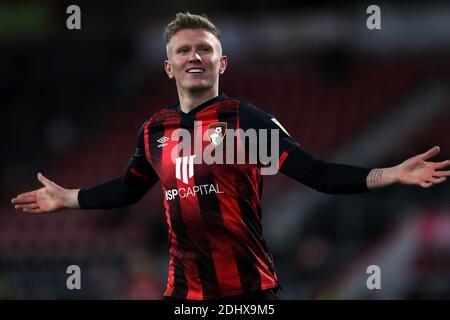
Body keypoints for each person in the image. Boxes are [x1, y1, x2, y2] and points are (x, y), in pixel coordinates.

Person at [11, 12, 450, 300]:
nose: (194, 56)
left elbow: (318, 174)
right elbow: (126, 190)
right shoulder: (156, 131)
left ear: (222, 63)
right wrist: (68, 198)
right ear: (169, 67)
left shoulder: (246, 121)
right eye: (183, 50)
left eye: (205, 49)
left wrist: (391, 173)